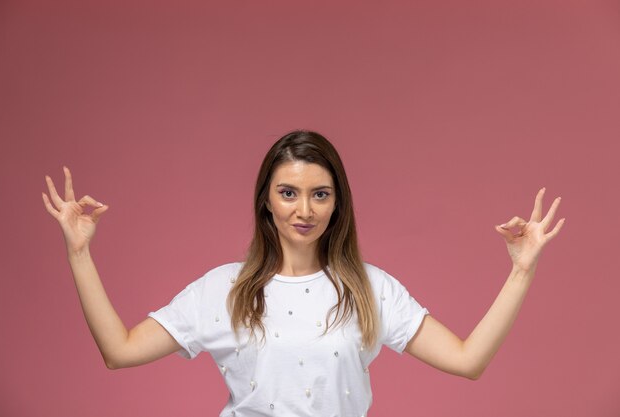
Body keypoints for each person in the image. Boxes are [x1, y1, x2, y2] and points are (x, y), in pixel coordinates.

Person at [42, 130, 565, 416]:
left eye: (321, 194)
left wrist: (521, 272)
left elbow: (468, 361)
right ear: (266, 202)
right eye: (288, 193)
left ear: (337, 204)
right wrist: (79, 254)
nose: (304, 209)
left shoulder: (369, 288)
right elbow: (119, 351)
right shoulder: (224, 289)